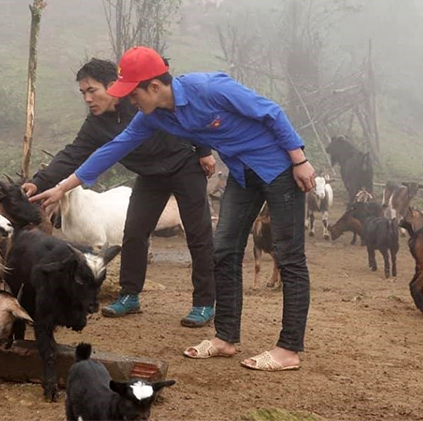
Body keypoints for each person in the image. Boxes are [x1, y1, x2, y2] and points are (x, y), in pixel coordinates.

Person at [31, 47, 315, 371]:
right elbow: (114, 148)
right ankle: (225, 338)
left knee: (288, 255)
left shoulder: (208, 87)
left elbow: (271, 112)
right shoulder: (154, 117)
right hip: (241, 172)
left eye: (134, 94)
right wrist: (61, 187)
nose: (131, 102)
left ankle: (289, 348)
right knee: (224, 250)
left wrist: (300, 160)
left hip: (279, 167)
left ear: (154, 87)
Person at [22, 58, 217, 327]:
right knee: (134, 233)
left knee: (198, 235)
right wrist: (39, 181)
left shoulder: (139, 99)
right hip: (149, 176)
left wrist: (204, 151)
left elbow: (184, 115)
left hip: (184, 165)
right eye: (83, 93)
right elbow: (72, 154)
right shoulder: (95, 125)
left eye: (92, 91)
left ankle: (204, 302)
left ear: (112, 86)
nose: (88, 99)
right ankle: (129, 296)